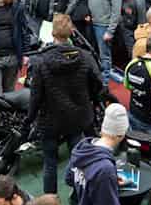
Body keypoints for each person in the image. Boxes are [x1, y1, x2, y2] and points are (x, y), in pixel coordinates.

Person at [28, 13, 102, 194]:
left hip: (50, 119)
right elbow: (98, 84)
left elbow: (35, 95)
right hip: (77, 117)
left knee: (50, 163)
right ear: (71, 32)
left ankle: (50, 201)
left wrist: (30, 118)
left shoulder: (41, 60)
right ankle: (78, 196)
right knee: (78, 161)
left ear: (52, 33)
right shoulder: (85, 56)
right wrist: (90, 100)